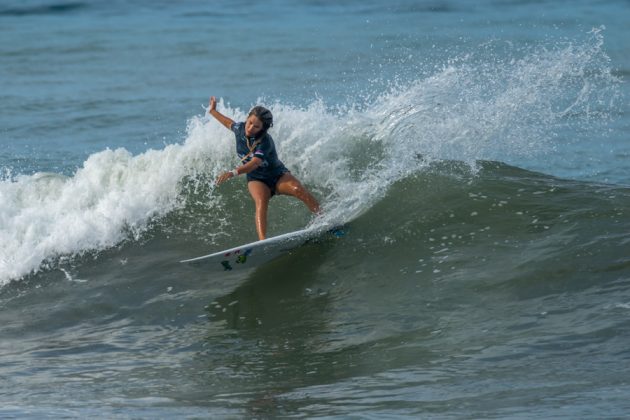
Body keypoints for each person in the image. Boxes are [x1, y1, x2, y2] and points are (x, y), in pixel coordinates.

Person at [208, 96, 321, 240]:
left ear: (263, 128)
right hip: (257, 179)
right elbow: (228, 122)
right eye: (249, 123)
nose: (250, 128)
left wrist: (233, 172)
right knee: (261, 202)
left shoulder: (265, 141)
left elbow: (255, 163)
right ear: (247, 119)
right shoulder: (240, 129)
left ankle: (323, 218)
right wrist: (212, 111)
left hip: (278, 175)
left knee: (298, 190)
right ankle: (262, 241)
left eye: (256, 127)